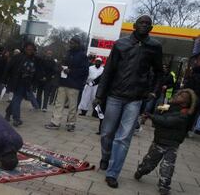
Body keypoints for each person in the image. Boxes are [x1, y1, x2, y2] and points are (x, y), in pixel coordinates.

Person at [94, 15, 163, 188]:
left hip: (136, 98)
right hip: (115, 95)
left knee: (123, 138)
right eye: (141, 22)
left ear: (151, 28)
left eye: (148, 23)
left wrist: (153, 92)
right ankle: (106, 156)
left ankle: (112, 173)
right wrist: (100, 94)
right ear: (134, 25)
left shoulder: (155, 47)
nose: (144, 25)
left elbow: (159, 72)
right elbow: (109, 70)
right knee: (107, 132)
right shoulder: (120, 44)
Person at [134, 89, 197, 195]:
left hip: (172, 144)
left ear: (186, 102)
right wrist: (158, 112)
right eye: (178, 94)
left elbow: (167, 122)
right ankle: (141, 170)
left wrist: (152, 116)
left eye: (182, 96)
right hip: (159, 141)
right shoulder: (168, 107)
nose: (178, 96)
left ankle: (164, 186)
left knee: (167, 166)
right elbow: (159, 117)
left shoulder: (184, 114)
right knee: (149, 163)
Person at [44, 36, 89, 132]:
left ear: (78, 44)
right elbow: (60, 64)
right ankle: (55, 122)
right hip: (63, 82)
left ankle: (71, 123)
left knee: (72, 106)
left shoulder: (82, 56)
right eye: (70, 42)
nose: (70, 44)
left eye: (72, 43)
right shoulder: (67, 53)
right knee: (58, 104)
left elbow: (85, 71)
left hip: (74, 84)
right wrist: (59, 67)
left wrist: (71, 71)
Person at [3, 42, 38, 127]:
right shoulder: (17, 57)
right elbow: (8, 68)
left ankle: (8, 112)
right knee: (17, 99)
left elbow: (35, 72)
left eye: (32, 49)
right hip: (17, 82)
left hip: (26, 84)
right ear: (25, 49)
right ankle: (16, 119)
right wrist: (4, 79)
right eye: (28, 49)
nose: (30, 51)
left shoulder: (34, 59)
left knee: (16, 100)